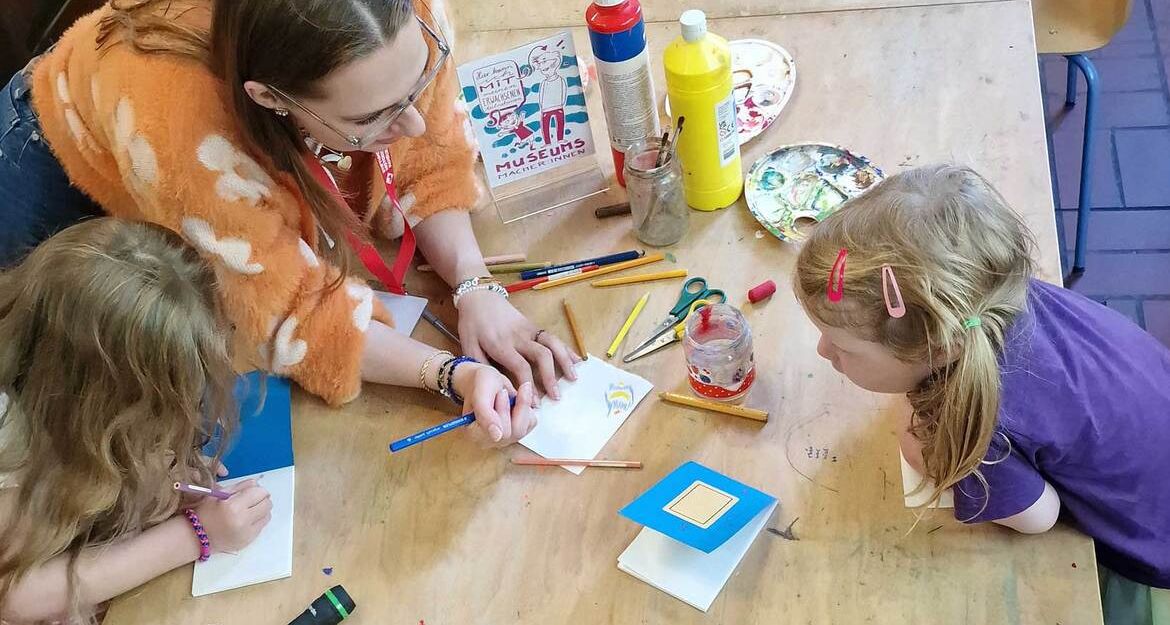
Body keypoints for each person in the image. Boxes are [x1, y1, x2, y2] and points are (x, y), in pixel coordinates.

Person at [0, 0, 572, 445]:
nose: (416, 123)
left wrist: (474, 283)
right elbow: (288, 316)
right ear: (271, 100)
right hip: (54, 165)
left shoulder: (394, 16)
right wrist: (450, 375)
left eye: (417, 82)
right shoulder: (183, 126)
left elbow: (431, 154)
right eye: (371, 117)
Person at [792, 165, 1170, 624]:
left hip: (1154, 554)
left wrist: (923, 441)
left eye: (843, 347)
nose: (823, 351)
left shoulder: (980, 412)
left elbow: (1038, 518)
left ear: (937, 346)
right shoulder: (992, 295)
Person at [0, 219, 270, 623]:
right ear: (105, 404)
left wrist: (153, 482)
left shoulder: (50, 385)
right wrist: (193, 536)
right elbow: (16, 595)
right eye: (160, 412)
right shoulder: (12, 451)